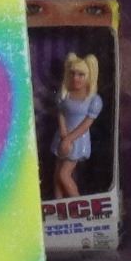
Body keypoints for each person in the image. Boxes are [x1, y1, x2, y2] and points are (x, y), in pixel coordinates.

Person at [52, 53, 102, 200]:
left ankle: (77, 203)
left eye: (81, 75)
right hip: (62, 136)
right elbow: (61, 112)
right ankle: (58, 204)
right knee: (57, 174)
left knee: (64, 174)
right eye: (73, 73)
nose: (76, 78)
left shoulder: (94, 100)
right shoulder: (65, 94)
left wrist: (69, 139)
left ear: (89, 76)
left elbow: (86, 124)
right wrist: (63, 134)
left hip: (78, 139)